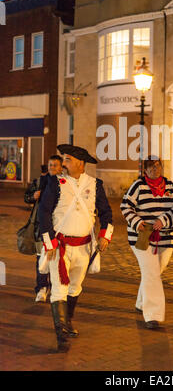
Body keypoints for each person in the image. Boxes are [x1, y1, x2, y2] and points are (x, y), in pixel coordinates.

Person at [38, 144, 113, 352]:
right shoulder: (55, 183)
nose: (64, 163)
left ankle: (67, 321)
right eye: (64, 159)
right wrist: (49, 242)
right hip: (59, 247)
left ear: (80, 163)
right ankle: (60, 333)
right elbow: (43, 213)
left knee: (75, 287)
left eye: (68, 160)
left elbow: (107, 214)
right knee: (59, 289)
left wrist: (105, 235)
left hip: (84, 247)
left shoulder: (95, 184)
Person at [120, 155, 173, 330]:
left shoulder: (170, 186)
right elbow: (125, 205)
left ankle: (141, 301)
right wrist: (137, 221)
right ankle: (152, 315)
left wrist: (164, 220)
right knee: (152, 272)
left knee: (156, 271)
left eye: (158, 166)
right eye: (151, 167)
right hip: (142, 238)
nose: (155, 169)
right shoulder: (138, 186)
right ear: (145, 170)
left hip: (166, 236)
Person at [24, 157, 63, 302]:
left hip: (60, 227)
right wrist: (33, 197)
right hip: (41, 227)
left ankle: (55, 287)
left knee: (57, 259)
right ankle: (41, 288)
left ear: (61, 168)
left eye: (55, 165)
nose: (52, 167)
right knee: (41, 258)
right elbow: (26, 197)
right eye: (50, 165)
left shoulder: (64, 182)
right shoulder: (40, 182)